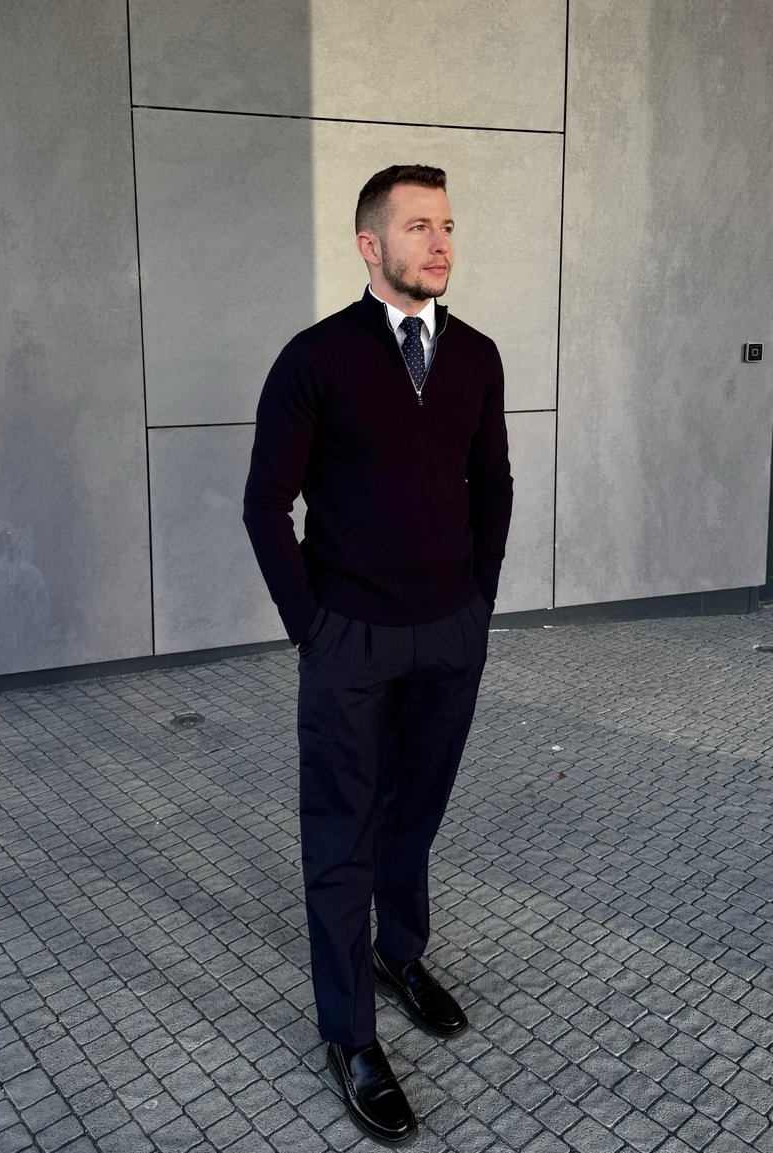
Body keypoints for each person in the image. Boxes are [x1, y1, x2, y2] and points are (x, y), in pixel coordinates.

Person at [243, 164, 513, 1144]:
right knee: (341, 838)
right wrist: (311, 625)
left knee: (414, 816)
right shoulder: (315, 360)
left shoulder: (476, 357)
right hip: (348, 637)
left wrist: (475, 603)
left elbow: (492, 483)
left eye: (445, 226)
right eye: (416, 227)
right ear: (369, 246)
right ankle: (350, 1035)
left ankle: (401, 953)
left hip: (448, 633)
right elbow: (264, 503)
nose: (438, 243)